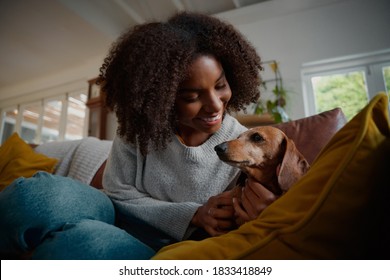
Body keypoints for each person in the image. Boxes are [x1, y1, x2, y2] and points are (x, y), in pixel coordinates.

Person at [0, 12, 277, 260]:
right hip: (113, 212)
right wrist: (192, 213)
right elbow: (117, 193)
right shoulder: (141, 127)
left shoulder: (247, 146)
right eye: (192, 96)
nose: (215, 105)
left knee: (80, 245)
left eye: (220, 86)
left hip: (164, 250)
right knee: (30, 196)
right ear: (162, 98)